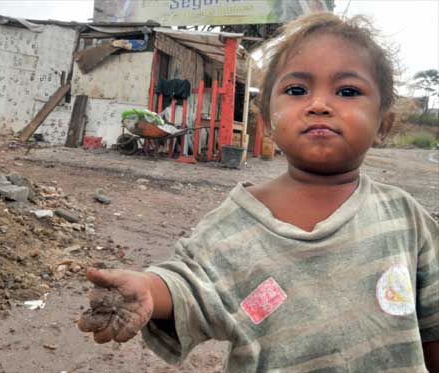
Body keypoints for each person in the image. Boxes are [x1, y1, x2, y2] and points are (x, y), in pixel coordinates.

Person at [78, 12, 439, 372]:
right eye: (297, 90)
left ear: (383, 124)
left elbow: (433, 325)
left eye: (347, 91)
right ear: (266, 118)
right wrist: (148, 289)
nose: (319, 105)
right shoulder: (234, 225)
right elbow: (191, 284)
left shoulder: (405, 218)